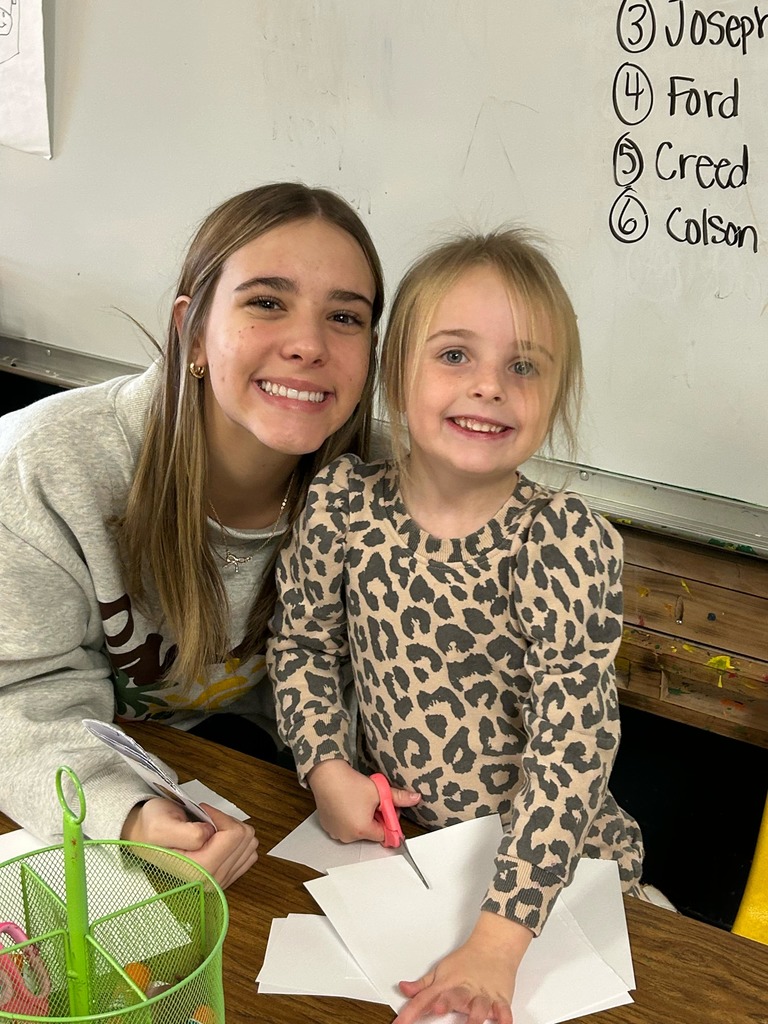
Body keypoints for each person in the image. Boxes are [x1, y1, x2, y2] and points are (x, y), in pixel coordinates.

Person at [268, 229, 644, 1023]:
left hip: (556, 877)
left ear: (554, 394)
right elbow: (303, 645)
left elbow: (574, 749)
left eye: (524, 366)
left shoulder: (562, 540)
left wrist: (500, 942)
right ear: (396, 373)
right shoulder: (342, 502)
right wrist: (326, 767)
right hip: (399, 856)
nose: (490, 388)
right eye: (453, 356)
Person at [0, 182, 384, 889]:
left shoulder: (377, 501)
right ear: (192, 329)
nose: (308, 344)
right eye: (266, 302)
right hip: (78, 815)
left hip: (270, 806)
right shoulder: (46, 465)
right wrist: (132, 817)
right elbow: (14, 700)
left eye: (345, 317)